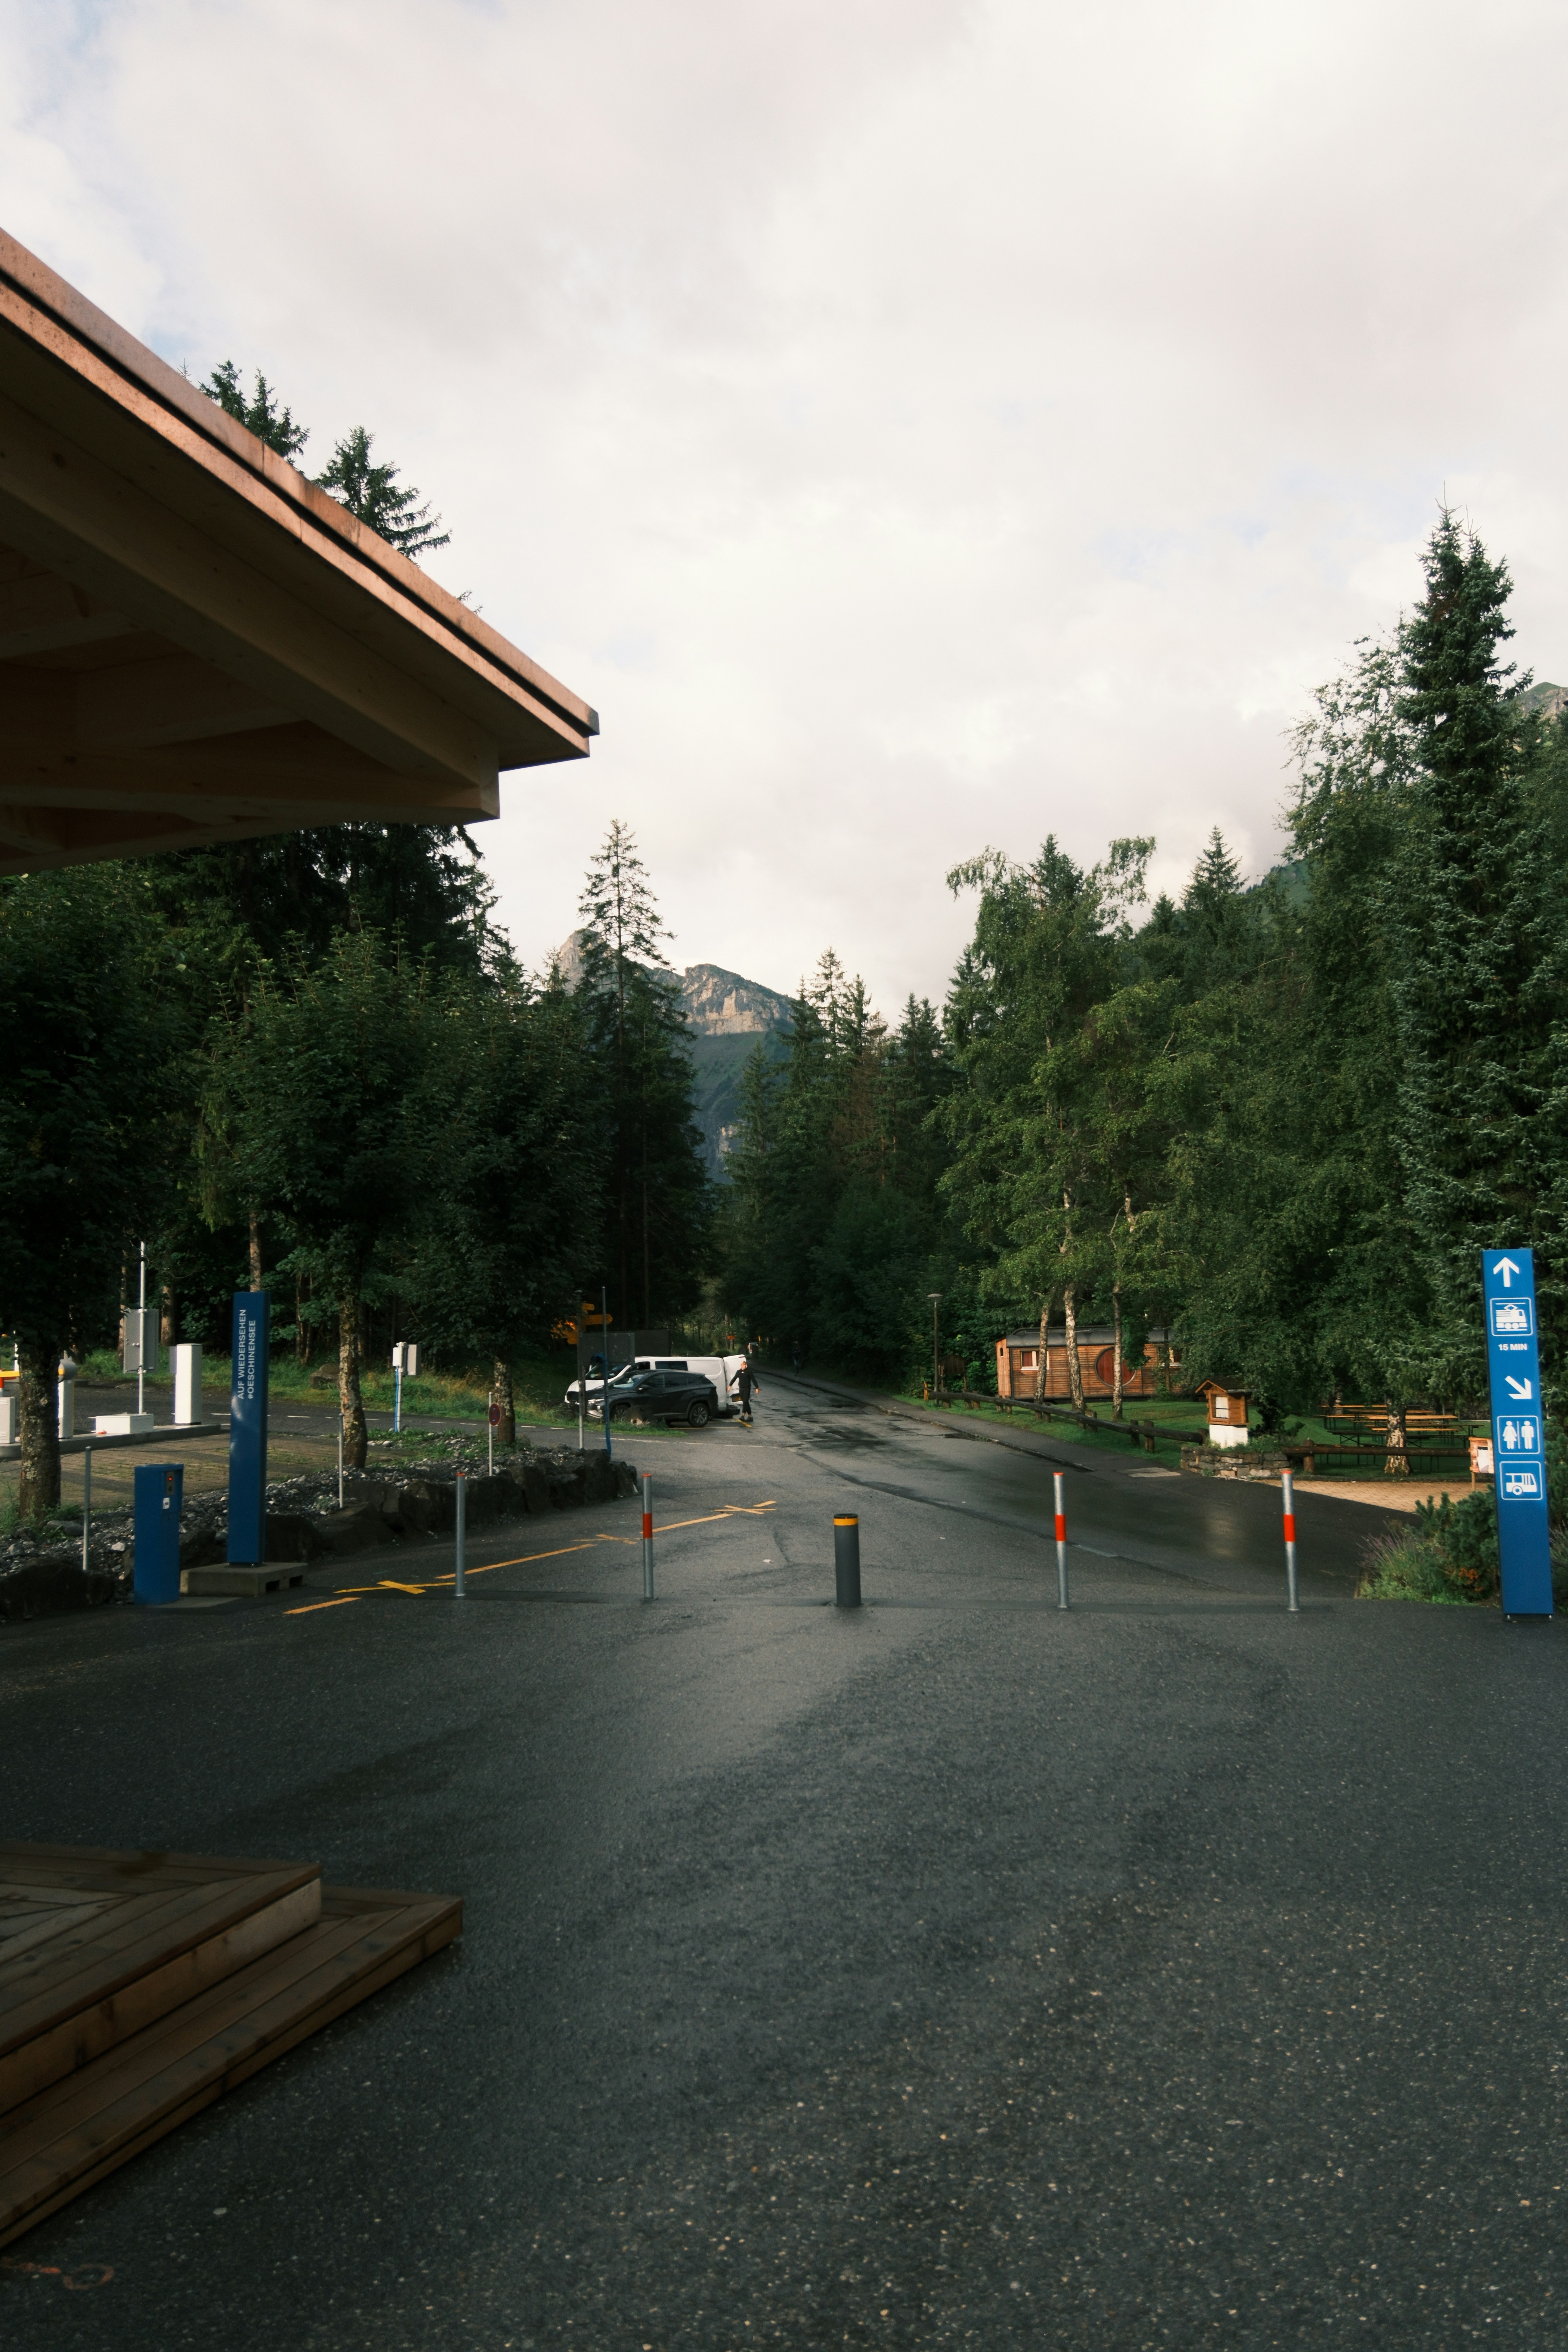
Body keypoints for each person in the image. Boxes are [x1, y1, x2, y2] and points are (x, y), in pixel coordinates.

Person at [734, 1358, 760, 1426]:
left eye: (745, 1364)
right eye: (744, 1365)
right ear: (741, 1366)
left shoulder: (749, 1371)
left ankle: (743, 1415)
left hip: (747, 1389)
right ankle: (750, 1417)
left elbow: (753, 1379)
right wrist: (730, 1386)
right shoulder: (739, 1372)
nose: (745, 1366)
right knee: (746, 1403)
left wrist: (757, 1387)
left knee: (745, 1402)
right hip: (741, 1389)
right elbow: (734, 1379)